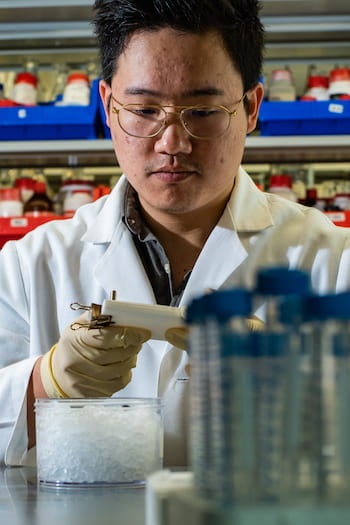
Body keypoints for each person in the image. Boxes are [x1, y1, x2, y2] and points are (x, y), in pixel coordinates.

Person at [0, 0, 349, 469]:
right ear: (107, 106)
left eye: (203, 110)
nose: (172, 142)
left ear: (251, 107)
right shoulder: (29, 265)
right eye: (144, 109)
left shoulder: (332, 261)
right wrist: (46, 383)